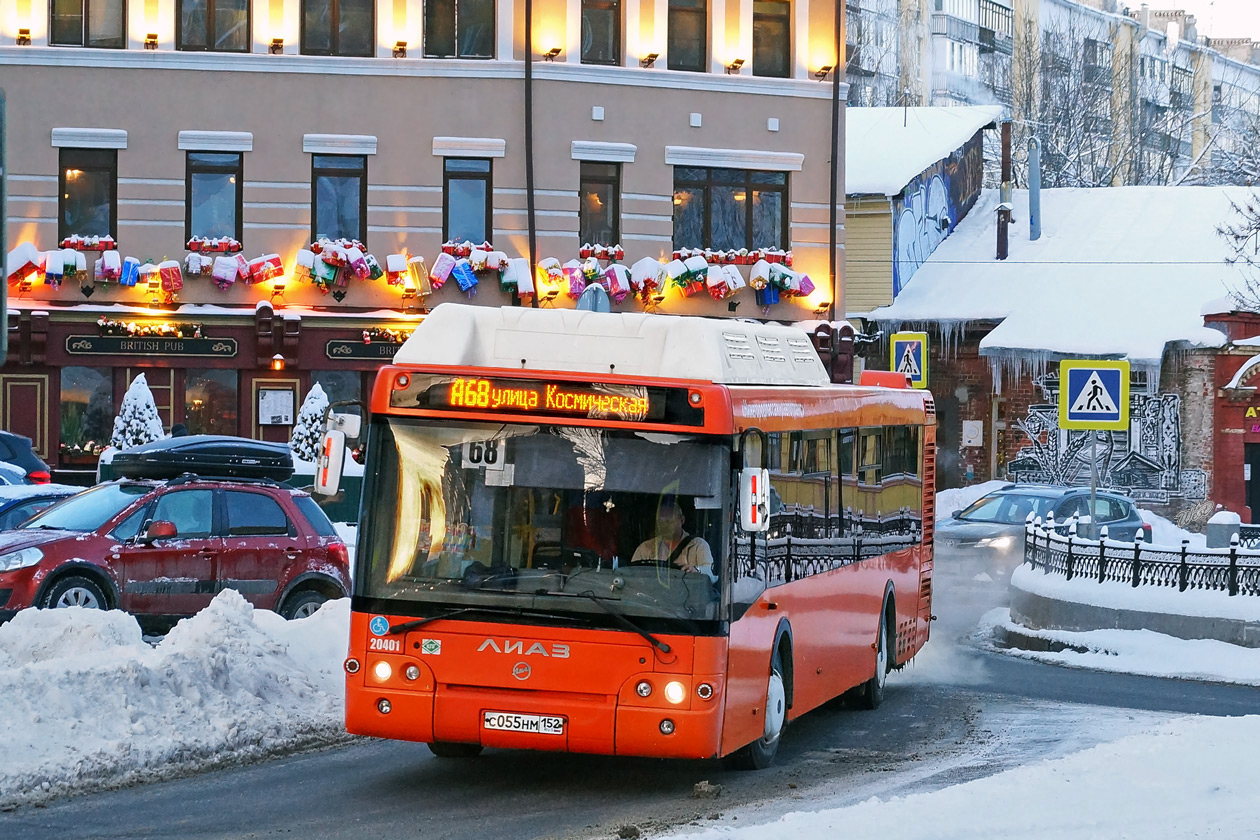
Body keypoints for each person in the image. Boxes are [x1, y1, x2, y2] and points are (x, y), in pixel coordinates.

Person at [631, 496, 716, 580]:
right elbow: (632, 575)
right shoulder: (645, 548)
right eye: (661, 521)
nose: (664, 525)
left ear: (682, 520)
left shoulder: (698, 545)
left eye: (669, 521)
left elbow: (709, 574)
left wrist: (697, 570)